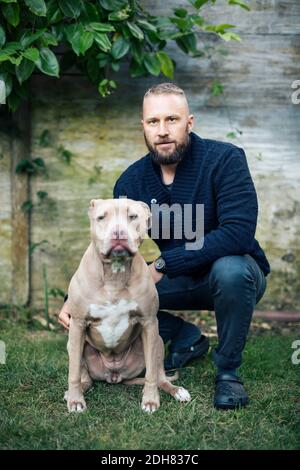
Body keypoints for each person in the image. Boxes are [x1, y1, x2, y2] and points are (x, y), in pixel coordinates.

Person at [59, 83, 270, 410]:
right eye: (153, 122)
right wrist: (72, 299)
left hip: (230, 276)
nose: (162, 130)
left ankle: (228, 372)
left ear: (190, 122)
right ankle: (187, 337)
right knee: (119, 299)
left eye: (172, 119)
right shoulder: (131, 181)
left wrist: (162, 265)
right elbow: (114, 242)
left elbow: (238, 233)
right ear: (143, 126)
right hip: (175, 278)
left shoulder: (225, 160)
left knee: (231, 270)